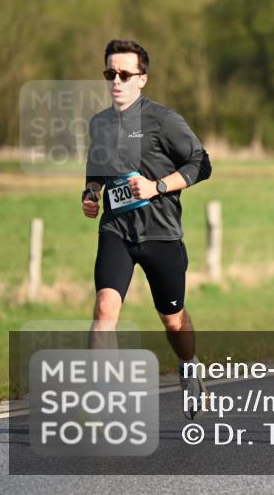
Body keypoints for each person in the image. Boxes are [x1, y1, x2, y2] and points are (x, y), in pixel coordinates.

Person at [83, 39, 212, 419]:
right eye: (110, 74)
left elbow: (201, 163)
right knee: (105, 309)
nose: (116, 81)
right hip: (116, 230)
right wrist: (90, 193)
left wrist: (158, 186)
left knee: (173, 321)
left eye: (125, 74)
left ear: (142, 79)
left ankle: (189, 367)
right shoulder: (100, 124)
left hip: (161, 233)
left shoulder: (163, 120)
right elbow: (97, 172)